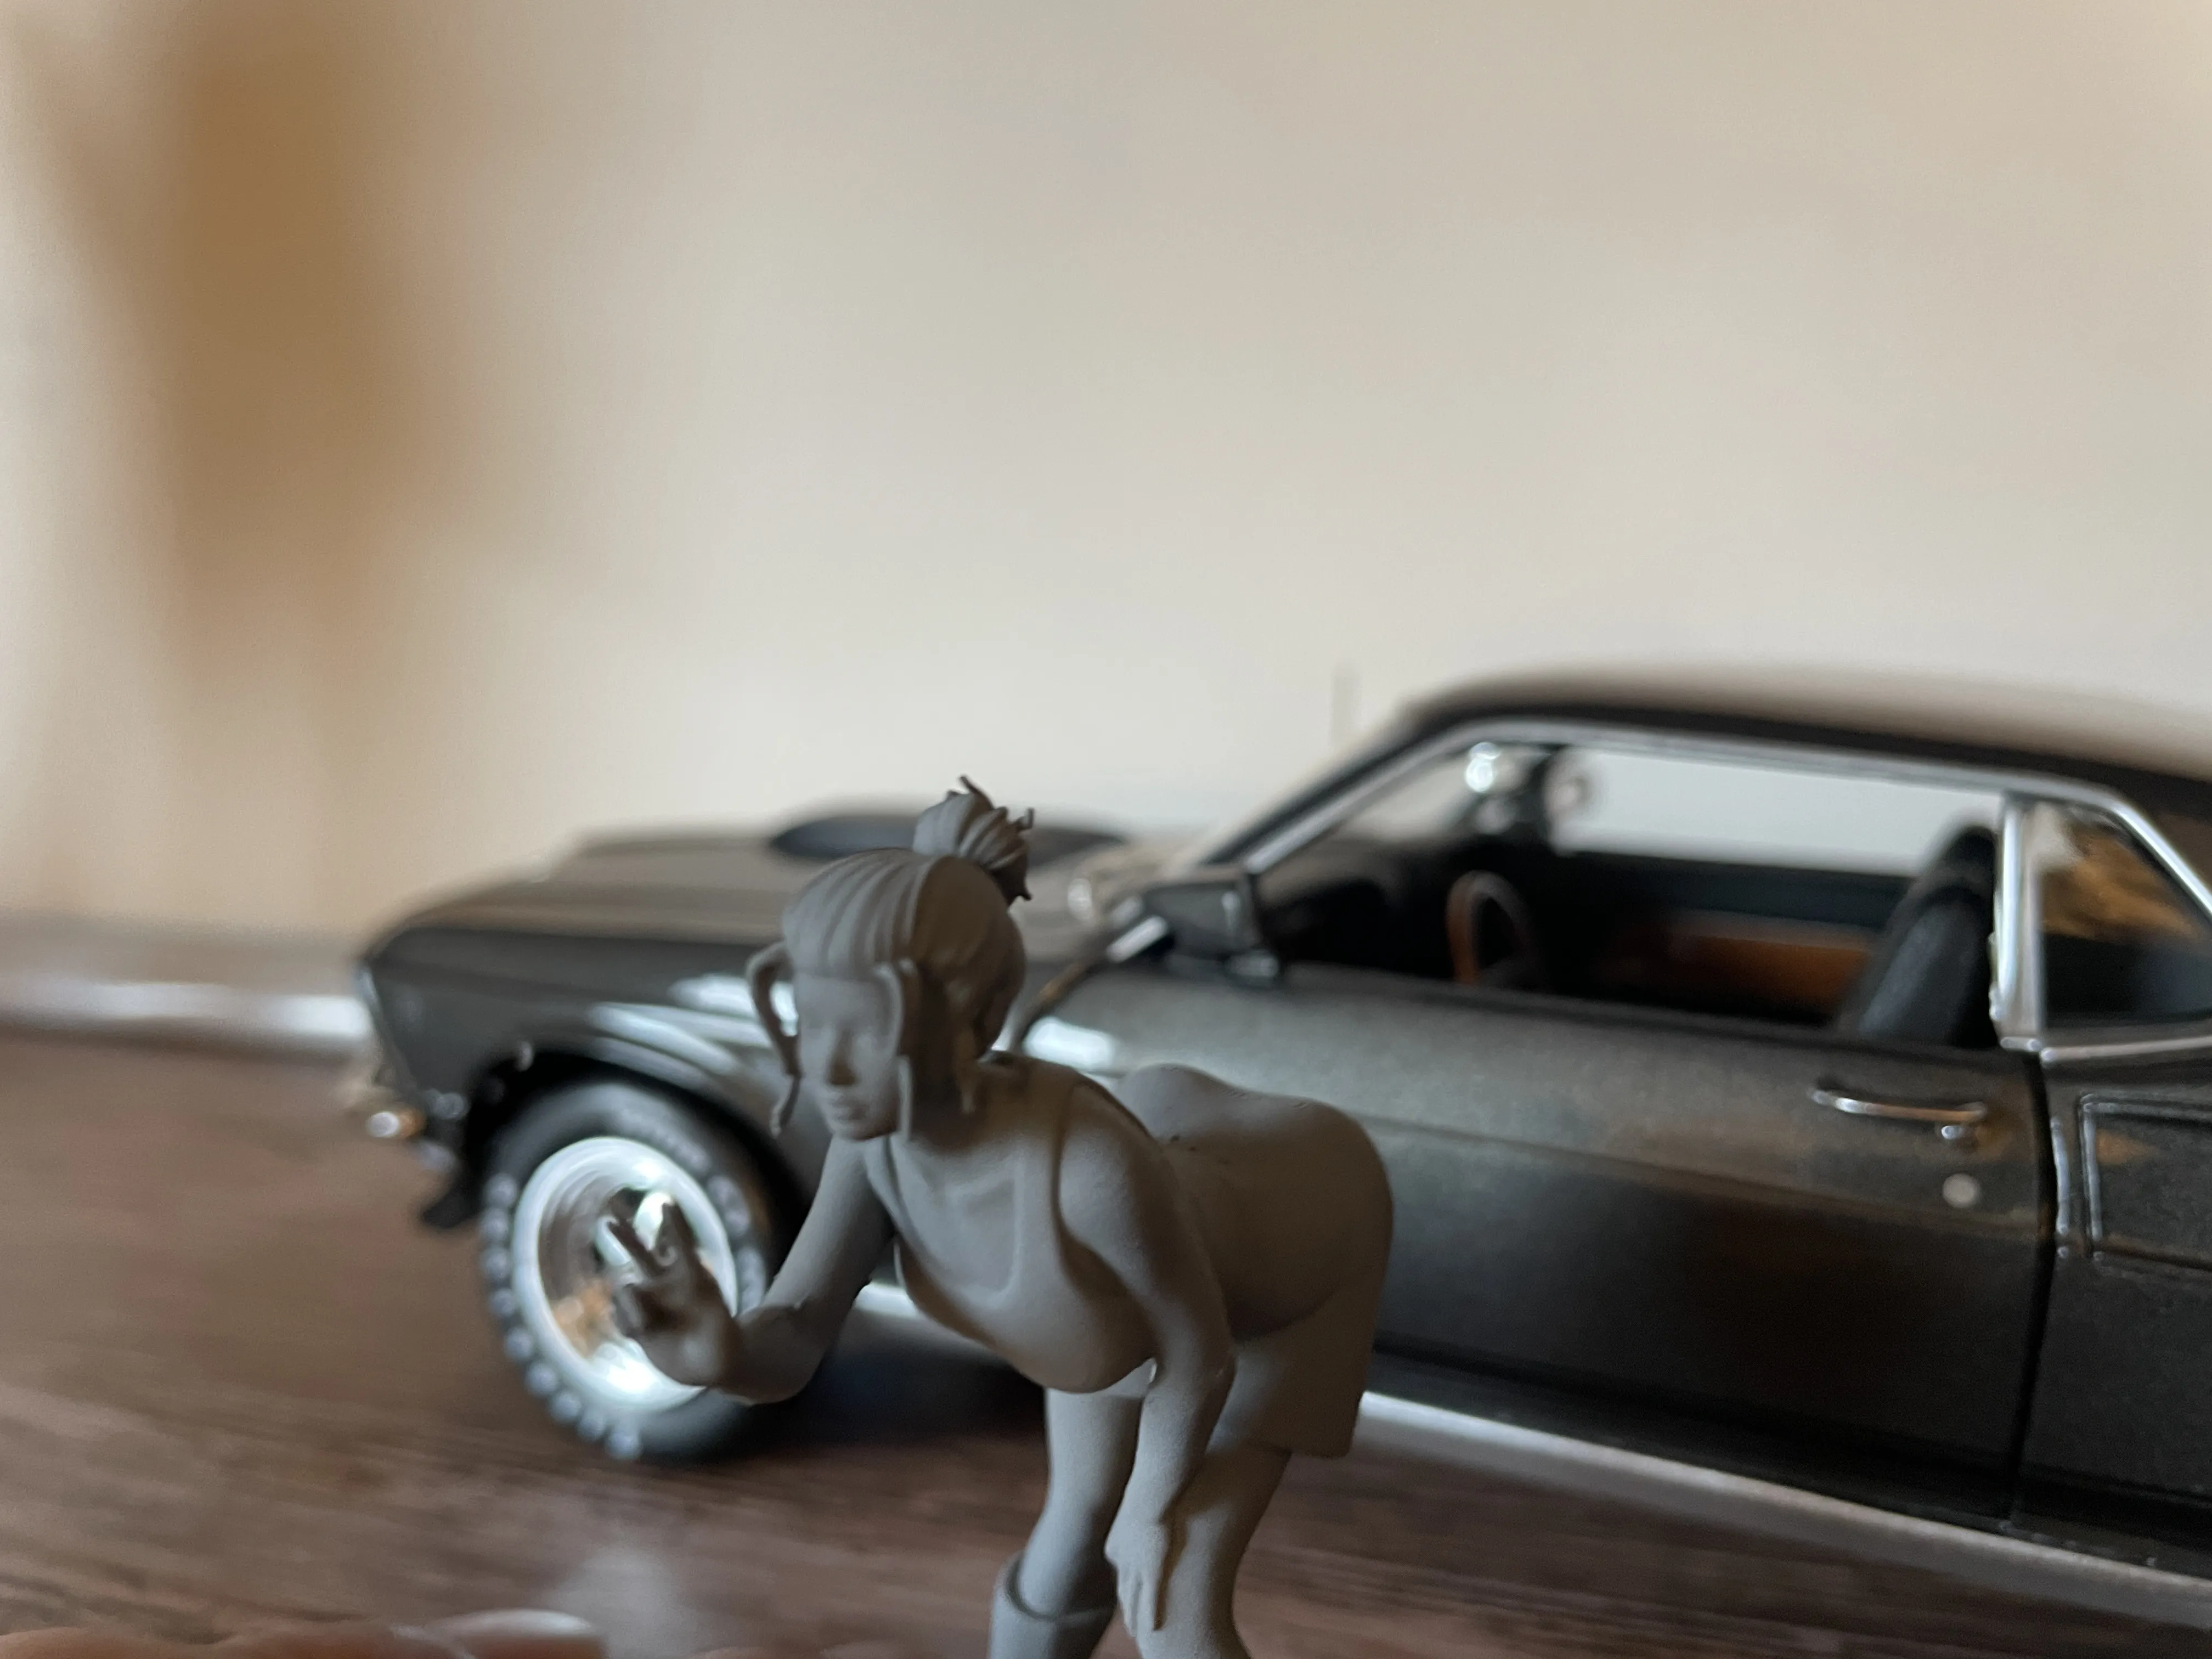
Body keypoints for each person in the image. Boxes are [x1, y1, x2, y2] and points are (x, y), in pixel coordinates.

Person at [607, 785, 1391, 1659]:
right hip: (1125, 1310)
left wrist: (1151, 1511)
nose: (829, 1067)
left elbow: (1199, 1354)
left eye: (865, 1030)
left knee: (1172, 1601)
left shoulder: (1087, 1170)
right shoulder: (874, 1148)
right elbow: (796, 1332)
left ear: (973, 1019)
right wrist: (723, 1354)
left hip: (1287, 1274)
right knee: (1071, 1540)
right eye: (812, 1022)